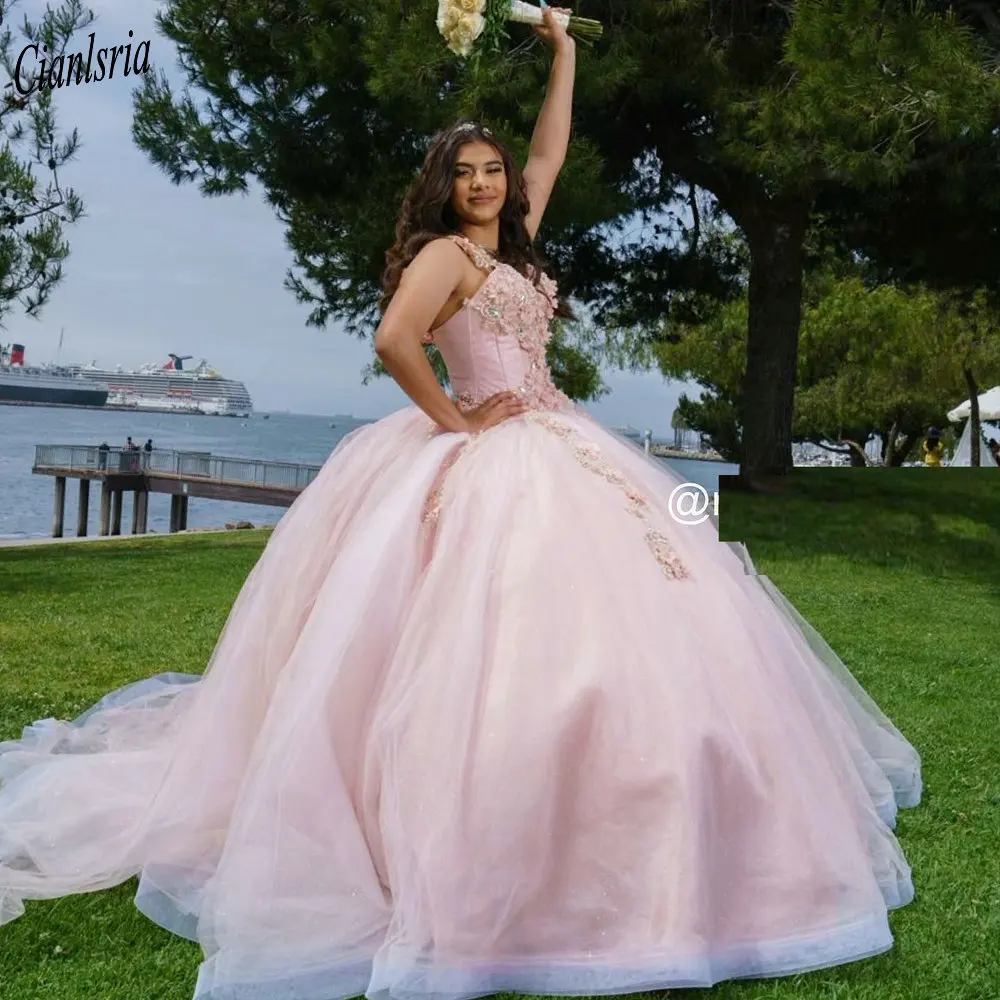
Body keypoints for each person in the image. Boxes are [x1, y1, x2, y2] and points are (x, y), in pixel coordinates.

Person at [0, 10, 921, 1000]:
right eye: (465, 173)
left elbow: (549, 149)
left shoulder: (514, 242)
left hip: (562, 436)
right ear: (442, 189)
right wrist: (454, 420)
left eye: (490, 170)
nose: (483, 183)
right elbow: (395, 339)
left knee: (666, 598)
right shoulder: (446, 255)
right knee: (473, 638)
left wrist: (563, 52)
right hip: (487, 447)